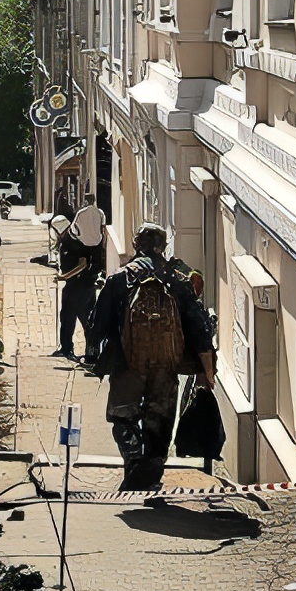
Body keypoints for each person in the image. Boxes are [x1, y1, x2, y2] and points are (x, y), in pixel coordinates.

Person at [89, 223, 217, 491]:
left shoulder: (118, 279)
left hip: (127, 365)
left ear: (136, 246)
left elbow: (96, 325)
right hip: (166, 365)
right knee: (159, 418)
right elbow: (200, 327)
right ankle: (152, 470)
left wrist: (100, 353)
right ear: (163, 248)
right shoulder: (177, 281)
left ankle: (134, 461)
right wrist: (207, 370)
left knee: (122, 416)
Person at [52, 193, 106, 362]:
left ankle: (67, 349)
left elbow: (82, 264)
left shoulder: (72, 241)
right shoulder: (91, 241)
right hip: (88, 284)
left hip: (75, 284)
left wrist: (63, 277)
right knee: (87, 318)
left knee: (68, 317)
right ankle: (91, 353)